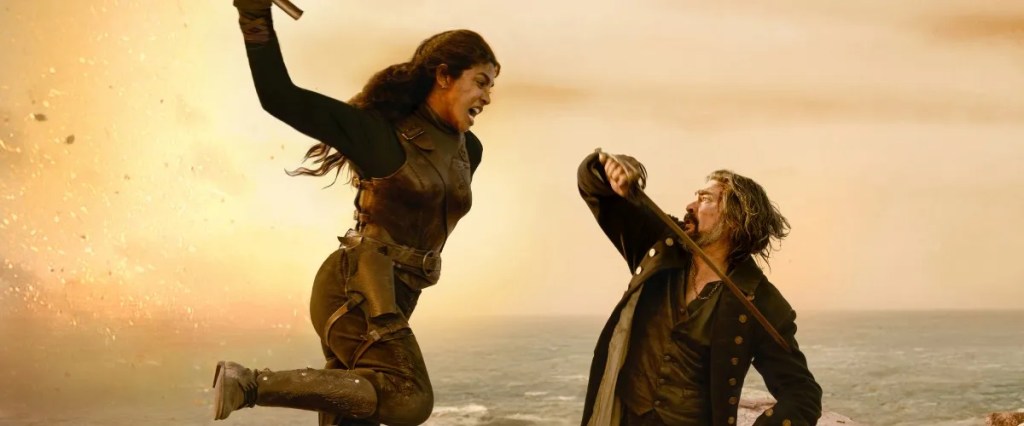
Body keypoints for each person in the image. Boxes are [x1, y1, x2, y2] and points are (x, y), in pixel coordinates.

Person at [211, 1, 499, 425]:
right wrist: (254, 18)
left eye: (492, 86)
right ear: (443, 76)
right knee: (410, 398)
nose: (487, 97)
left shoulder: (469, 151)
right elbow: (279, 97)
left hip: (398, 297)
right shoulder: (381, 138)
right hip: (354, 291)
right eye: (481, 82)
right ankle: (249, 383)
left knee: (354, 412)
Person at [577, 150, 822, 426]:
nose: (690, 205)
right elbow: (595, 190)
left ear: (735, 219)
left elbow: (803, 395)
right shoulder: (661, 245)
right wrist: (611, 169)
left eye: (704, 199)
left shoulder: (759, 300)